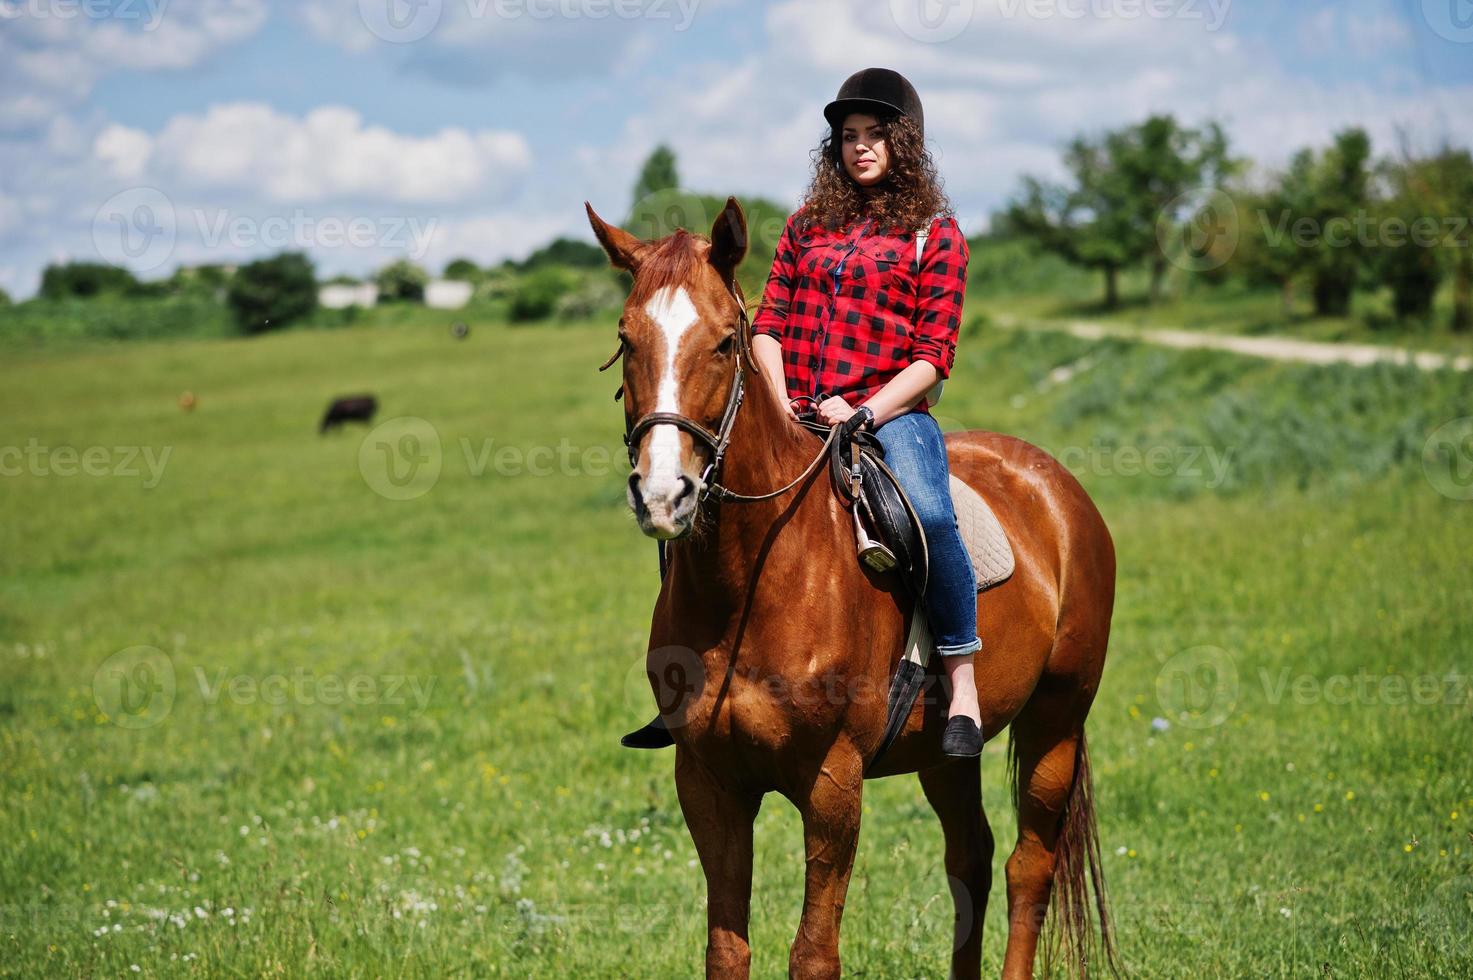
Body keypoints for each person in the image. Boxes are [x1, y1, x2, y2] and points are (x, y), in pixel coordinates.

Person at [621, 67, 983, 758]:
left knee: (929, 517)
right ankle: (684, 686)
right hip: (797, 404)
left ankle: (959, 681)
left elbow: (933, 355)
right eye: (848, 137)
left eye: (876, 135)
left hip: (890, 413)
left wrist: (866, 412)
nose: (860, 148)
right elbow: (770, 322)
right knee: (695, 512)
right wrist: (785, 397)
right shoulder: (805, 227)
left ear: (905, 144)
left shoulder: (934, 235)